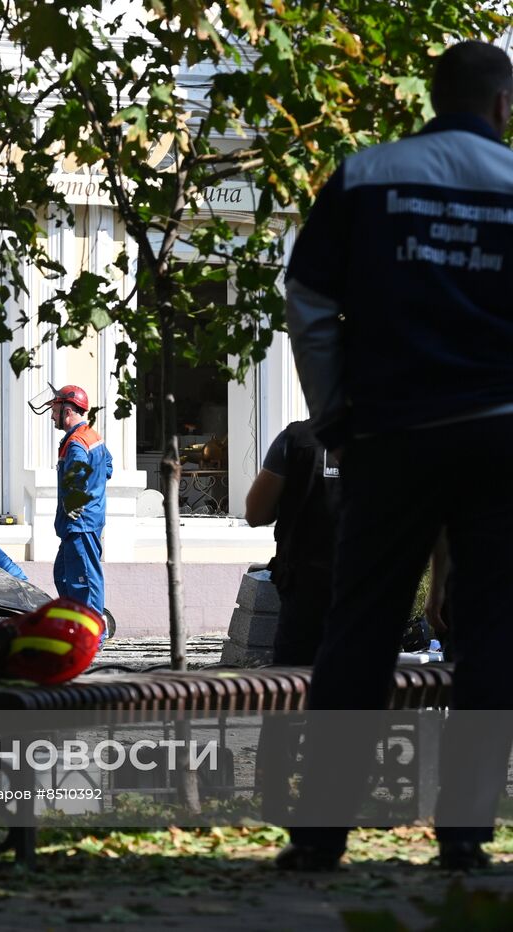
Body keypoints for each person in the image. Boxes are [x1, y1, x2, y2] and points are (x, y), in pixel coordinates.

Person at [280, 41, 513, 871]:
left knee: (362, 625)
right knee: (496, 635)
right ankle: (465, 836)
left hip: (390, 435)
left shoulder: (367, 174)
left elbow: (307, 297)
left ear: (433, 96)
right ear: (501, 107)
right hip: (498, 437)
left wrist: (334, 414)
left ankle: (319, 835)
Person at [244, 419, 340, 665]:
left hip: (307, 584)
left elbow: (256, 514)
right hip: (372, 586)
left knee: (296, 677)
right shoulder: (397, 438)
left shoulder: (295, 439)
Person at [46, 385, 112, 615]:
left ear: (67, 411)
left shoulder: (76, 443)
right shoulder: (91, 437)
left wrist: (76, 501)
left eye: (55, 410)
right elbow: (108, 468)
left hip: (80, 524)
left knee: (84, 581)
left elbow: (78, 475)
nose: (52, 415)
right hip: (79, 524)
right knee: (63, 575)